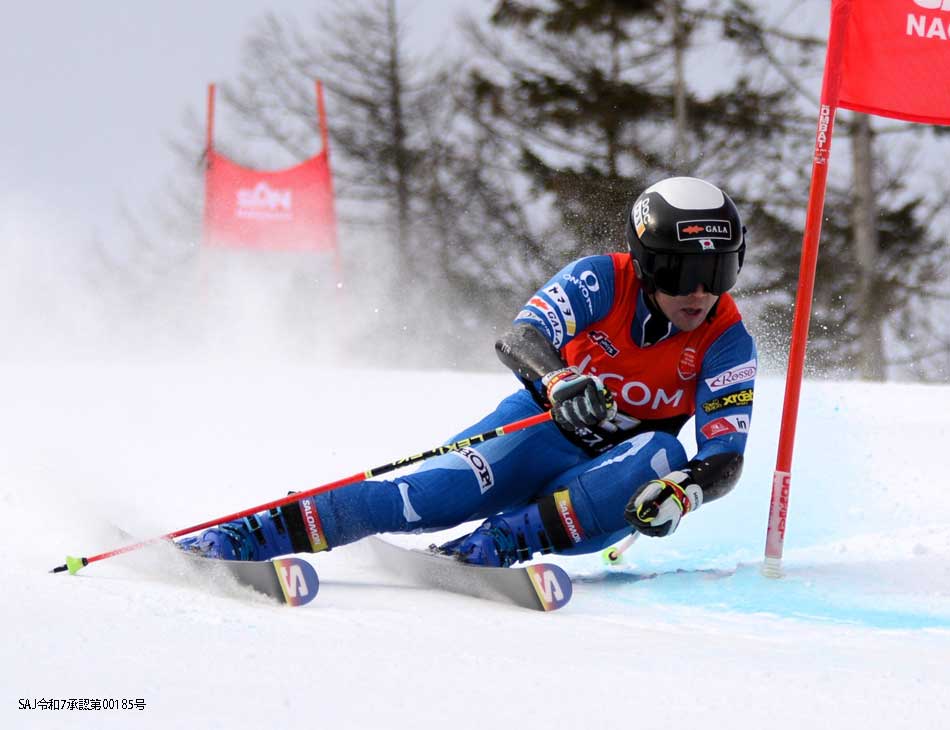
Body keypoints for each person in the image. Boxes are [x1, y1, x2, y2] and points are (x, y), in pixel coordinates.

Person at [178, 176, 757, 567]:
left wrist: (685, 495)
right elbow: (520, 336)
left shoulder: (727, 339)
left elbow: (725, 458)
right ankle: (254, 533)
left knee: (665, 455)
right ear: (648, 265)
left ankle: (501, 544)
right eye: (683, 272)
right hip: (536, 432)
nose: (701, 291)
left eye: (720, 270)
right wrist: (559, 380)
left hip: (605, 485)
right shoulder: (603, 279)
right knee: (419, 498)